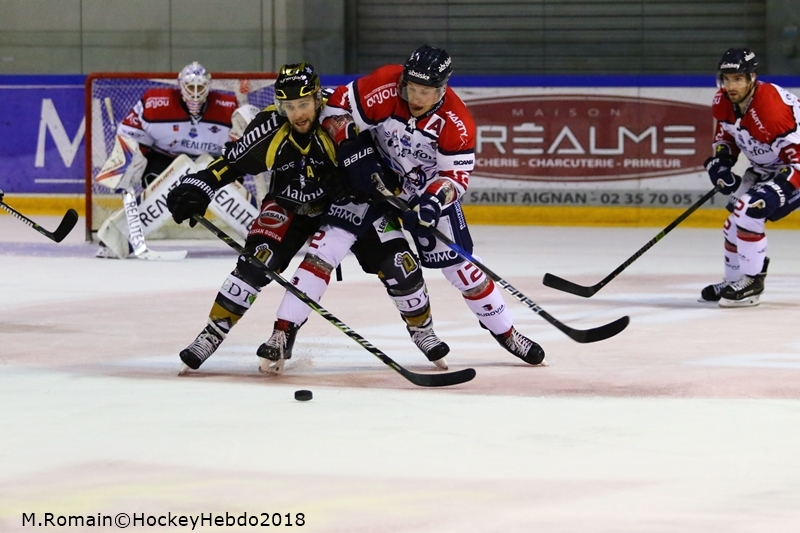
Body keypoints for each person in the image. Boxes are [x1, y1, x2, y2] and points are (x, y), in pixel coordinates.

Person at [268, 44, 545, 366]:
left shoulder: (456, 123)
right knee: (325, 250)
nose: (415, 98)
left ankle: (506, 332)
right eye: (411, 88)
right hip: (368, 182)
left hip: (422, 192)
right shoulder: (386, 84)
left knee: (462, 267)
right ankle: (283, 331)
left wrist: (430, 204)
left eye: (425, 92)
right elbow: (336, 106)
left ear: (443, 88)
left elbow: (454, 178)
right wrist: (352, 148)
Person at [166, 63, 449, 374]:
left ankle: (423, 330)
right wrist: (199, 185)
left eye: (303, 104)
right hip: (291, 204)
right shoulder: (270, 127)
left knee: (399, 263)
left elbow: (381, 163)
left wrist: (354, 181)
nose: (297, 113)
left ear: (317, 99)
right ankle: (213, 332)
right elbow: (231, 164)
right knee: (256, 262)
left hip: (352, 206)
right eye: (289, 106)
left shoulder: (343, 117)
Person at [95, 61, 246, 259]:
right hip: (166, 163)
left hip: (210, 167)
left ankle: (261, 234)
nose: (195, 92)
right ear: (180, 86)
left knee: (226, 175)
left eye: (200, 87)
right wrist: (130, 160)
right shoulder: (154, 104)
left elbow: (241, 148)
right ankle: (118, 237)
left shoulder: (228, 107)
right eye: (190, 87)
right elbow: (128, 137)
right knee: (160, 178)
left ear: (208, 87)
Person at [700, 47, 800, 307]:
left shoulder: (771, 111)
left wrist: (776, 190)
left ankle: (752, 282)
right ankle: (735, 280)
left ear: (752, 78)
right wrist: (721, 163)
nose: (730, 86)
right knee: (732, 225)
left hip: (795, 167)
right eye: (726, 78)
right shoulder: (722, 102)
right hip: (769, 168)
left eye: (737, 79)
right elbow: (727, 136)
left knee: (748, 211)